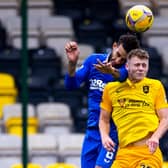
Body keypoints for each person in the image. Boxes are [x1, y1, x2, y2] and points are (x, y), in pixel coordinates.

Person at [64, 34, 140, 168]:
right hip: (92, 129)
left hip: (113, 132)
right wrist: (72, 63)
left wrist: (111, 71)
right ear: (114, 46)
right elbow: (71, 85)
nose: (118, 60)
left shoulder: (128, 71)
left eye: (124, 59)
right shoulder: (94, 60)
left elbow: (122, 76)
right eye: (118, 54)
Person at [99, 48, 168, 168]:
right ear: (127, 66)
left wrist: (156, 137)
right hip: (123, 153)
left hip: (148, 153)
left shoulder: (155, 86)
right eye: (137, 65)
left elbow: (165, 118)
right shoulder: (111, 89)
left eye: (144, 65)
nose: (141, 68)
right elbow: (103, 119)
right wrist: (104, 136)